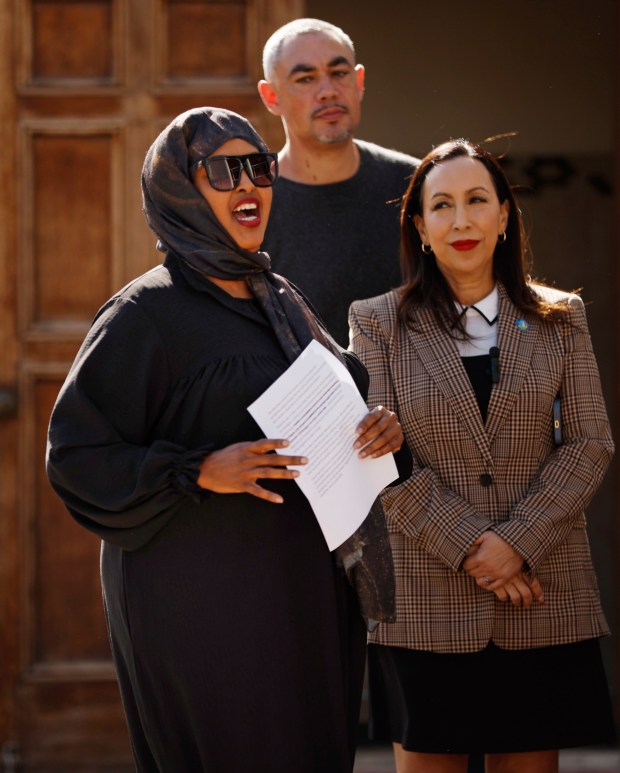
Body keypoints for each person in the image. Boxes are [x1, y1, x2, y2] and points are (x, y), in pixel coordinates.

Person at [45, 106, 408, 773]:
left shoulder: (281, 300)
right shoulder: (144, 314)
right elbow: (77, 455)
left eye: (258, 167)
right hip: (201, 606)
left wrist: (377, 429)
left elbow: (336, 407)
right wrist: (198, 470)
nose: (247, 184)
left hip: (302, 594)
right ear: (179, 188)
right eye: (222, 171)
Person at [348, 138, 616, 773]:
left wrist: (516, 542)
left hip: (539, 592)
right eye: (441, 205)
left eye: (476, 200)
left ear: (503, 217)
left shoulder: (562, 318)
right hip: (424, 599)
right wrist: (474, 547)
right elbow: (375, 455)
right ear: (420, 227)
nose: (461, 220)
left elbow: (590, 443)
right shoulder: (377, 322)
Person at [257, 18, 419, 347]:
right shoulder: (251, 203)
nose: (328, 91)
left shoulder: (416, 184)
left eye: (339, 73)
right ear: (271, 96)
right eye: (305, 78)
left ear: (359, 81)